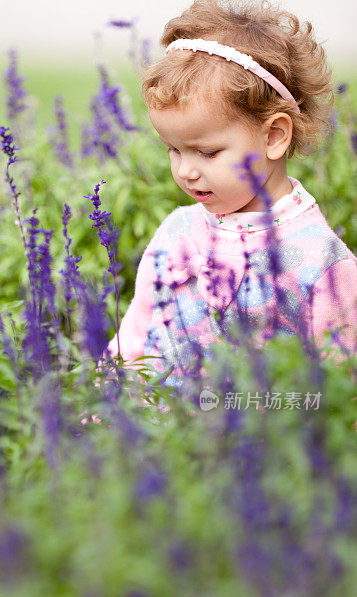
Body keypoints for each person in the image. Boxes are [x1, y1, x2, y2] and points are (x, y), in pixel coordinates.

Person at [107, 0, 357, 389]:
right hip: (160, 438)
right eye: (174, 149)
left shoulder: (319, 261)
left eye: (207, 152)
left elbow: (342, 385)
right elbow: (135, 337)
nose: (186, 171)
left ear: (274, 136)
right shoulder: (176, 233)